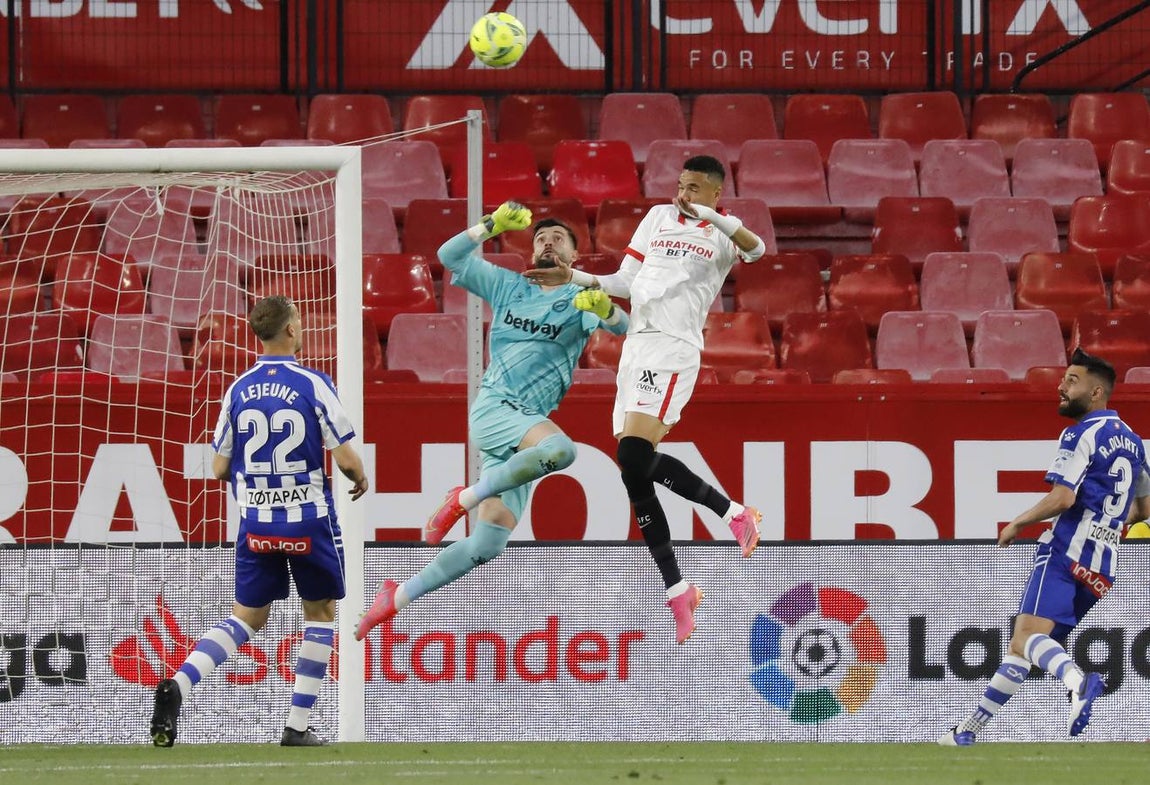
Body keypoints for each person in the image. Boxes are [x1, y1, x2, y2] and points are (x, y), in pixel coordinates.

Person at [354, 202, 629, 640]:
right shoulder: (508, 286)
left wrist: (606, 307)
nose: (548, 242)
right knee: (562, 451)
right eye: (541, 238)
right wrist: (490, 225)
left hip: (525, 429)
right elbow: (448, 256)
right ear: (531, 252)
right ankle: (463, 497)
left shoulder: (580, 299)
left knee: (486, 544)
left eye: (558, 238)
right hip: (495, 407)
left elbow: (623, 327)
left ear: (574, 256)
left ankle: (396, 596)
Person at [522, 155, 767, 644]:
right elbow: (624, 282)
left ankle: (733, 513)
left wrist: (710, 217)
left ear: (715, 193)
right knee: (633, 469)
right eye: (681, 185)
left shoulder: (723, 232)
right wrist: (573, 277)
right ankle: (678, 589)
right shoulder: (657, 217)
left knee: (633, 455)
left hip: (673, 348)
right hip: (637, 344)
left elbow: (757, 250)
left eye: (694, 188)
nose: (683, 194)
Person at [149, 295, 369, 748]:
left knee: (247, 616)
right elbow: (346, 459)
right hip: (308, 519)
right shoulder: (313, 383)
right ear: (290, 329)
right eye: (299, 321)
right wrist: (360, 477)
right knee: (320, 613)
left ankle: (179, 683)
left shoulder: (238, 388)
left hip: (256, 523)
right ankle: (297, 726)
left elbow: (218, 468)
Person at [939, 348, 1150, 745]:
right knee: (1028, 647)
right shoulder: (1135, 443)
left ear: (1097, 392)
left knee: (1025, 639)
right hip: (1103, 566)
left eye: (1072, 380)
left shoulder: (1080, 433)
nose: (1061, 386)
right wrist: (1104, 524)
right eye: (1064, 378)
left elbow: (1063, 498)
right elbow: (1142, 510)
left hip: (1065, 550)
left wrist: (1018, 522)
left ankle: (1077, 682)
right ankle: (968, 731)